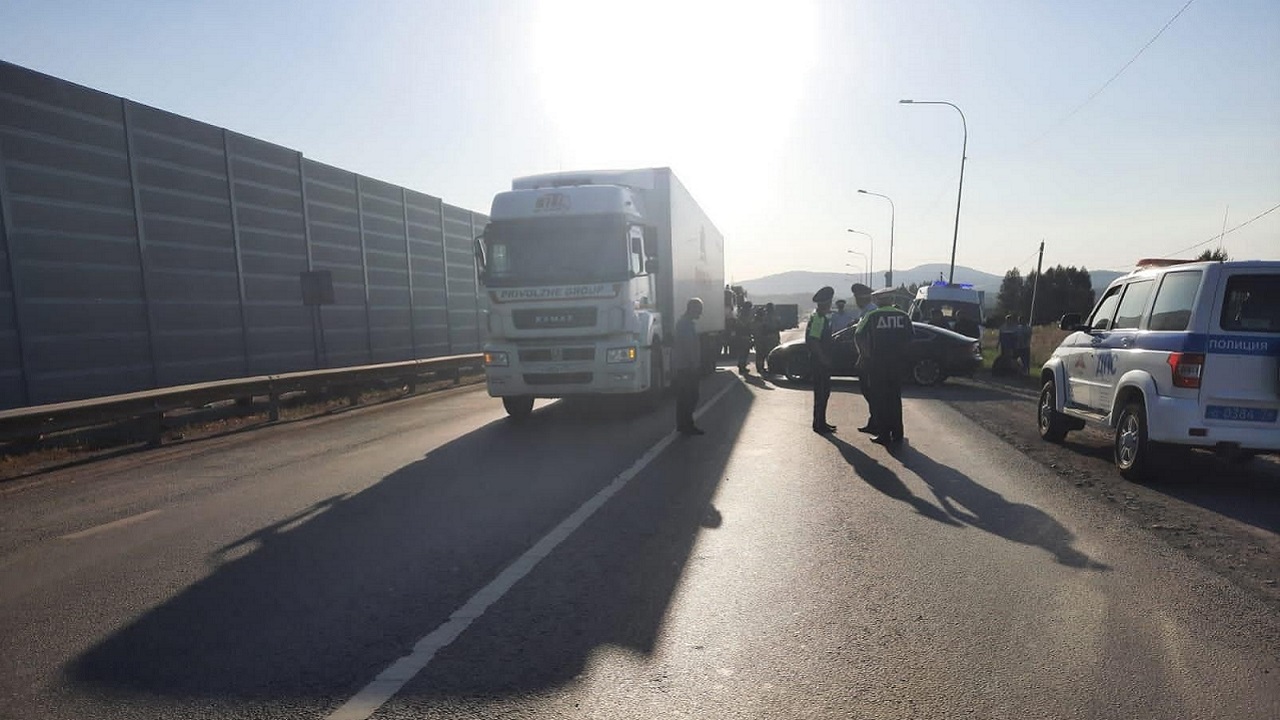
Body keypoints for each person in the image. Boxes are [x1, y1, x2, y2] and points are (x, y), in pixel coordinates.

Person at [855, 289, 913, 445]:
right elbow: (910, 337)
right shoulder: (903, 316)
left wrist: (865, 355)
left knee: (880, 398)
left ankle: (884, 434)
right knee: (895, 398)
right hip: (897, 364)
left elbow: (858, 335)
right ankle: (898, 433)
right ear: (892, 300)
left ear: (878, 301)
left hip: (878, 364)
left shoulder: (872, 316)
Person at [806, 286, 837, 434]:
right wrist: (823, 358)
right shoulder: (818, 318)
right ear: (827, 303)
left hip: (820, 361)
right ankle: (818, 424)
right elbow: (813, 341)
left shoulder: (821, 317)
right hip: (819, 362)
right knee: (821, 393)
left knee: (824, 393)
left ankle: (821, 422)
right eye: (830, 302)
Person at [673, 298, 705, 435]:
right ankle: (686, 424)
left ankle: (684, 424)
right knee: (690, 396)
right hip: (687, 366)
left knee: (686, 396)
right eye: (699, 310)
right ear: (692, 309)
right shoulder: (685, 325)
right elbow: (688, 346)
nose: (700, 313)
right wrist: (694, 363)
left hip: (685, 365)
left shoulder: (685, 323)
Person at [754, 303, 781, 374]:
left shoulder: (764, 317)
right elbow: (776, 328)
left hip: (768, 338)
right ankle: (769, 368)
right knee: (769, 354)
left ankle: (763, 368)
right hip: (769, 338)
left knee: (763, 354)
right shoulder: (771, 317)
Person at [734, 301, 754, 374]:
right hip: (744, 336)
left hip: (741, 336)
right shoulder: (745, 316)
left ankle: (741, 365)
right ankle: (742, 366)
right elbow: (747, 326)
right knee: (744, 352)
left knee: (743, 352)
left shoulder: (741, 315)